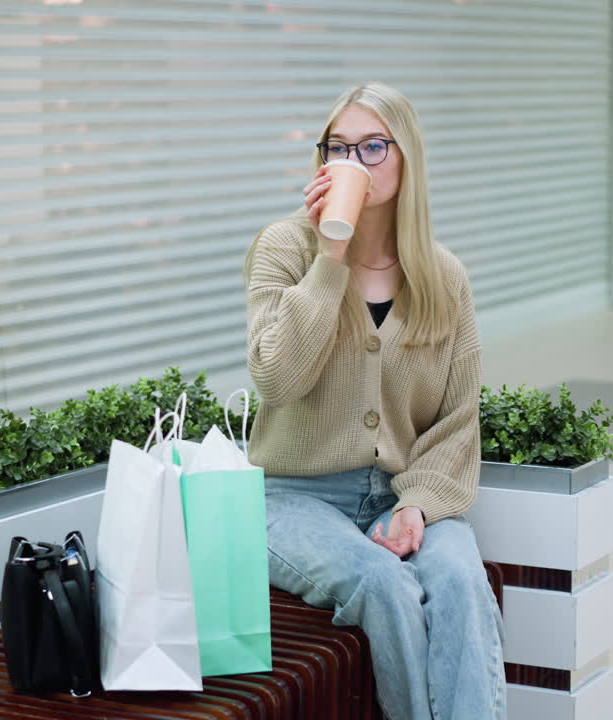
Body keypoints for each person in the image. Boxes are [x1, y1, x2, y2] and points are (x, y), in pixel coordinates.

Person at [241, 83, 506, 720]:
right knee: (381, 581)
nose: (355, 162)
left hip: (402, 494)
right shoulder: (285, 249)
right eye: (339, 148)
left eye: (373, 147)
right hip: (292, 498)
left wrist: (418, 505)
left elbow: (456, 417)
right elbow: (276, 378)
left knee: (461, 581)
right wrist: (330, 255)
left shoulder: (443, 277)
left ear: (406, 157)